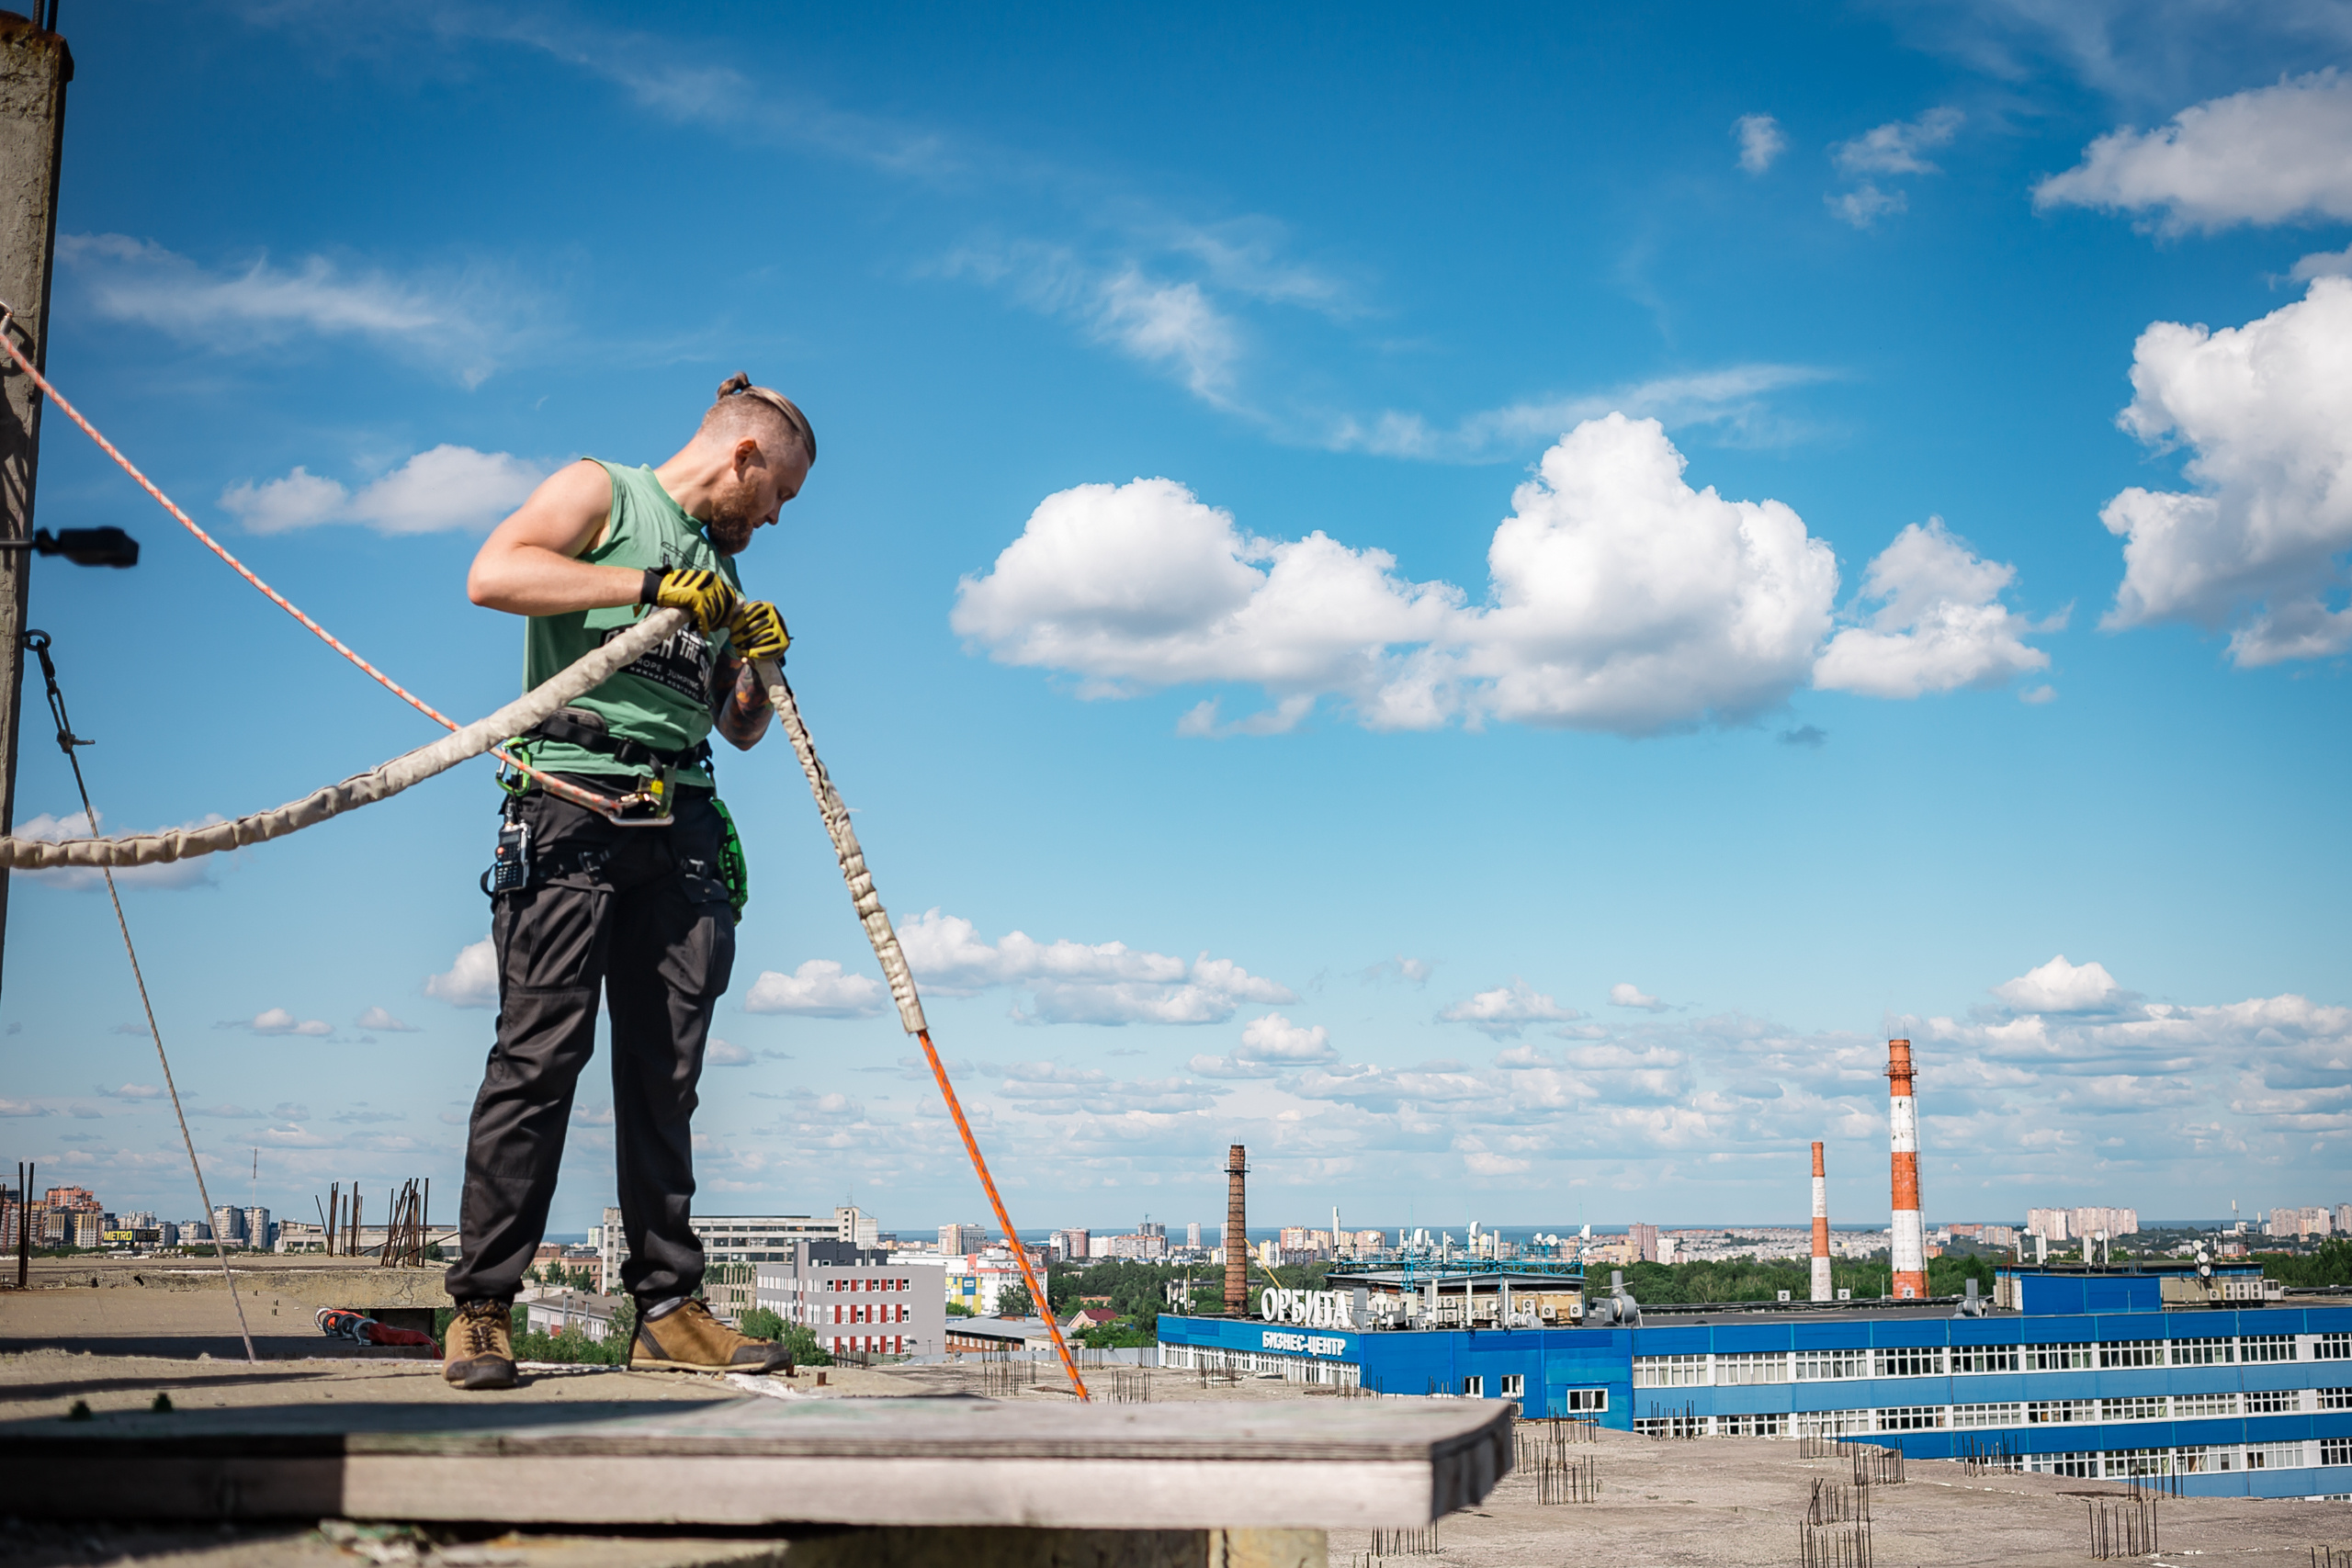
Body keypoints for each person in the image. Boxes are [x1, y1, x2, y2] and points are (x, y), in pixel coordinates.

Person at [439, 375, 811, 1391]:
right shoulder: (603, 493)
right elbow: (493, 571)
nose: (775, 516)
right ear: (742, 457)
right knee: (540, 1055)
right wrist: (640, 588)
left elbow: (735, 730)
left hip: (680, 819)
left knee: (667, 1074)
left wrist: (756, 669)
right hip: (571, 802)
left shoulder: (724, 578)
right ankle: (481, 1310)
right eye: (777, 491)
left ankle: (668, 1310)